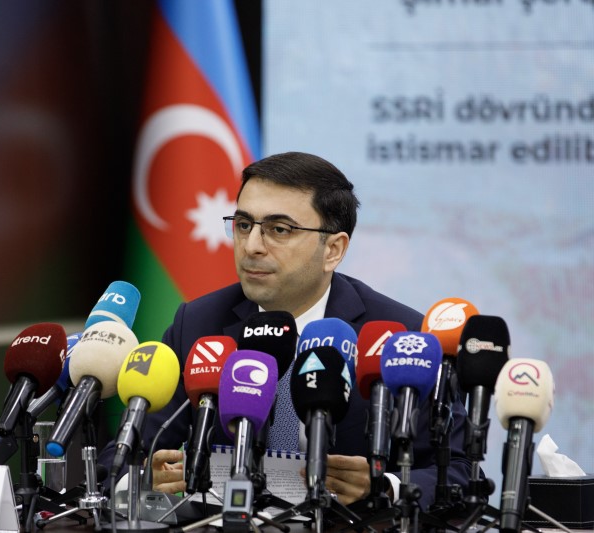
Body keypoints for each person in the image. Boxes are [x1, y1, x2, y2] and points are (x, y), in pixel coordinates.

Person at [98, 151, 472, 508]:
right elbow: (122, 454)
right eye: (244, 225)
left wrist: (384, 487)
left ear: (333, 250)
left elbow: (459, 474)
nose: (252, 246)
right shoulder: (199, 324)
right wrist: (141, 477)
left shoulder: (401, 336)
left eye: (279, 229)